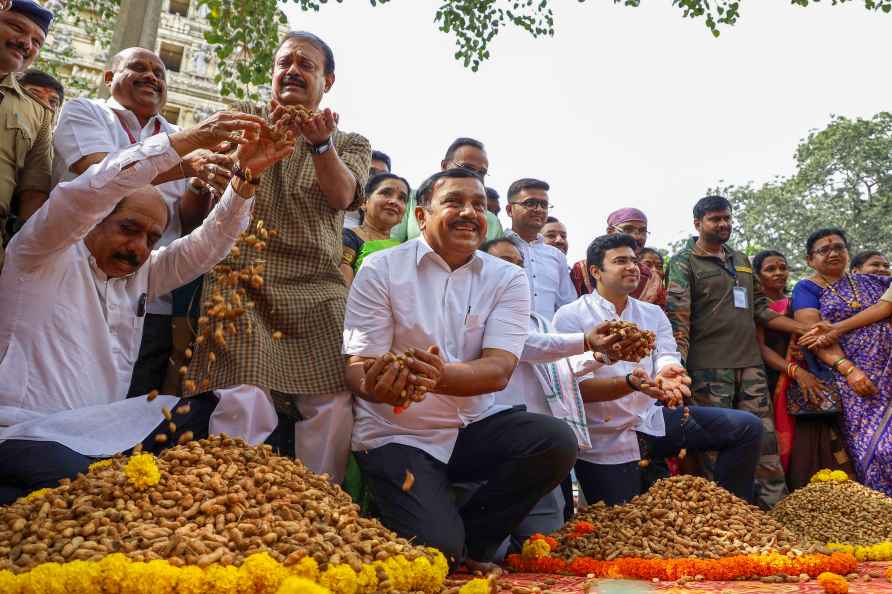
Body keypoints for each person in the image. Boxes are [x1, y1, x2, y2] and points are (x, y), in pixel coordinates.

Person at [0, 112, 291, 504]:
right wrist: (187, 140)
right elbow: (90, 190)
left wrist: (245, 178)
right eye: (128, 228)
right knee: (101, 493)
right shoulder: (41, 253)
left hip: (102, 435)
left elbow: (209, 244)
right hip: (26, 434)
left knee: (236, 403)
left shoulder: (142, 273)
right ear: (94, 220)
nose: (139, 246)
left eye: (152, 237)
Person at [344, 169, 577, 568]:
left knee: (555, 439)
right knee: (438, 551)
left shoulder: (507, 277)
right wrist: (381, 385)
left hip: (471, 426)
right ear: (421, 216)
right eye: (454, 202)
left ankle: (475, 541)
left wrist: (436, 376)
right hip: (398, 432)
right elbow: (358, 367)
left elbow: (500, 368)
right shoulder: (381, 269)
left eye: (479, 205)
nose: (470, 212)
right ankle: (445, 539)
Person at [186, 31, 371, 484]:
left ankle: (318, 508)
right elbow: (198, 186)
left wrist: (320, 145)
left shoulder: (349, 142)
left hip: (317, 287)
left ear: (327, 81)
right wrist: (204, 172)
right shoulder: (243, 120)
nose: (292, 70)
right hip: (240, 278)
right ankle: (230, 499)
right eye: (284, 62)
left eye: (306, 65)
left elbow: (344, 194)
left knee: (332, 401)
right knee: (243, 396)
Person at [53, 47, 234, 398]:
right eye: (139, 67)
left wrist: (200, 182)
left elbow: (187, 221)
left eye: (160, 73)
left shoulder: (179, 134)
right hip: (75, 284)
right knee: (67, 392)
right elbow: (102, 176)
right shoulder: (86, 112)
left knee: (133, 402)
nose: (153, 76)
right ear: (109, 78)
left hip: (150, 296)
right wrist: (187, 162)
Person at [554, 234, 763, 505]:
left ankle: (731, 514)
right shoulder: (571, 317)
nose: (632, 267)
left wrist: (669, 373)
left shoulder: (651, 314)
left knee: (746, 428)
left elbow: (666, 354)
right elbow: (574, 390)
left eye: (633, 260)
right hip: (603, 438)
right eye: (620, 261)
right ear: (596, 272)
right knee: (620, 525)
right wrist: (630, 383)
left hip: (651, 421)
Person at [666, 195, 814, 509]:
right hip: (708, 369)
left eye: (727, 219)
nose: (723, 224)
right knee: (715, 444)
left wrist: (801, 329)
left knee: (764, 440)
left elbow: (760, 308)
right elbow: (678, 319)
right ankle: (724, 515)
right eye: (715, 219)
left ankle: (776, 511)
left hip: (750, 366)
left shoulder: (741, 259)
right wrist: (678, 370)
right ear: (698, 223)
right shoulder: (683, 262)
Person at [482, 237, 627, 552]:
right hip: (493, 442)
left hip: (540, 446)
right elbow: (529, 346)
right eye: (505, 262)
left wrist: (599, 358)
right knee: (492, 550)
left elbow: (561, 366)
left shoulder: (540, 321)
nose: (514, 271)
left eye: (519, 265)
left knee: (547, 546)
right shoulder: (478, 314)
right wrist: (586, 342)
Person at [789, 229, 892, 496]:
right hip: (854, 381)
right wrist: (849, 370)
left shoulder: (870, 281)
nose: (833, 253)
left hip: (888, 370)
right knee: (878, 449)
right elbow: (815, 335)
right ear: (810, 259)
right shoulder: (806, 288)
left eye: (839, 247)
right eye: (824, 250)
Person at [752, 250, 852, 490]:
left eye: (782, 267)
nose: (778, 273)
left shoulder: (799, 300)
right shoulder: (759, 307)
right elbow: (760, 348)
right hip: (776, 378)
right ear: (757, 275)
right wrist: (795, 371)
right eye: (770, 269)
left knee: (814, 436)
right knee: (781, 438)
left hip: (811, 377)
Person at [0, 1, 54, 271]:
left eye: (37, 41)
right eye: (15, 27)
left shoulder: (39, 114)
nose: (26, 43)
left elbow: (33, 193)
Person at [390, 137, 502, 243]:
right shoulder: (409, 200)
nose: (475, 176)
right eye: (467, 168)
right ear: (444, 165)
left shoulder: (492, 222)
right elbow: (390, 244)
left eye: (481, 172)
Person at [505, 178, 576, 319]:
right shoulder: (496, 248)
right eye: (530, 203)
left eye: (544, 205)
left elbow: (567, 306)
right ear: (509, 210)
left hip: (549, 336)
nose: (538, 209)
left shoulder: (556, 256)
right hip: (503, 336)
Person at [570, 208, 664, 306]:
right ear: (610, 232)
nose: (637, 237)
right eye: (628, 229)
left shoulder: (652, 279)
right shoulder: (582, 270)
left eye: (642, 231)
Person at [340, 172, 409, 287]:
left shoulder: (405, 249)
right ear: (363, 202)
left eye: (401, 198)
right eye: (386, 193)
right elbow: (344, 288)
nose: (394, 202)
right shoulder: (349, 237)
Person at [344, 149, 391, 230]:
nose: (377, 178)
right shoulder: (338, 206)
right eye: (371, 172)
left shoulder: (389, 217)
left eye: (384, 175)